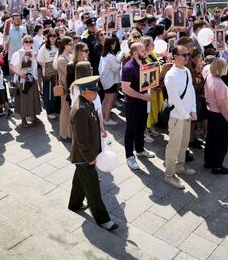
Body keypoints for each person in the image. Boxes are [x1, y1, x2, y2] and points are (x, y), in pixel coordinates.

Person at [67, 76, 118, 231]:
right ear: (84, 92)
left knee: (80, 181)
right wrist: (90, 158)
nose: (96, 93)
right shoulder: (81, 110)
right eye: (93, 90)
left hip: (87, 154)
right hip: (84, 157)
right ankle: (103, 220)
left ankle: (74, 205)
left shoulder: (86, 104)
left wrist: (101, 131)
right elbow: (82, 139)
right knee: (93, 188)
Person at [163, 45, 197, 188]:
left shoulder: (187, 71)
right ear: (175, 57)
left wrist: (193, 110)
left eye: (188, 54)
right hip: (177, 116)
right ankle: (169, 175)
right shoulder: (170, 76)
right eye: (184, 55)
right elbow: (175, 99)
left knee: (184, 144)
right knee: (173, 146)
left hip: (187, 115)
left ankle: (180, 166)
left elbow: (191, 91)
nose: (187, 57)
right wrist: (185, 115)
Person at [121, 42, 155, 170]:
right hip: (133, 104)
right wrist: (142, 96)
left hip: (143, 102)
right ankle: (129, 156)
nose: (145, 52)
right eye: (142, 50)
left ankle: (140, 150)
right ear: (135, 53)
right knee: (131, 131)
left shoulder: (145, 63)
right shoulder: (129, 67)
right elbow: (125, 88)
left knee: (141, 128)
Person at [204, 57, 228, 174]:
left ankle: (208, 162)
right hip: (219, 115)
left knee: (211, 138)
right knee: (221, 142)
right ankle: (217, 166)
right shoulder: (220, 85)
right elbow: (221, 106)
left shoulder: (209, 76)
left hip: (210, 112)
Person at [10, 35, 42, 127]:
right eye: (26, 42)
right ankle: (23, 119)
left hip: (32, 79)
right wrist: (21, 75)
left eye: (30, 42)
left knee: (33, 98)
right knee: (23, 100)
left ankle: (33, 116)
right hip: (22, 80)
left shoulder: (33, 53)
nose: (28, 44)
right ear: (23, 43)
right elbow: (12, 66)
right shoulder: (17, 54)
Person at [98, 37, 121, 126]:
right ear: (111, 45)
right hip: (110, 81)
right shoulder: (109, 56)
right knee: (109, 101)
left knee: (106, 99)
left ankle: (102, 116)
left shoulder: (104, 54)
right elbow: (116, 68)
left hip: (106, 81)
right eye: (114, 44)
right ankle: (106, 119)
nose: (115, 45)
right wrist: (121, 62)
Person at [37, 30, 59, 119]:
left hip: (58, 72)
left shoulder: (58, 46)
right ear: (48, 37)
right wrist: (47, 67)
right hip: (48, 73)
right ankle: (49, 111)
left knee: (57, 90)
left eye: (54, 36)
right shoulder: (44, 47)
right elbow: (39, 59)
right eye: (50, 36)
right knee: (49, 92)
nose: (52, 38)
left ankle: (56, 108)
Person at [56, 36, 74, 141]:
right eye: (70, 44)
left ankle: (70, 133)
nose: (72, 46)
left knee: (70, 111)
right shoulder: (61, 59)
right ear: (65, 45)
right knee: (65, 110)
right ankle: (63, 133)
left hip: (72, 86)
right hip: (65, 87)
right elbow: (68, 74)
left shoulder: (71, 56)